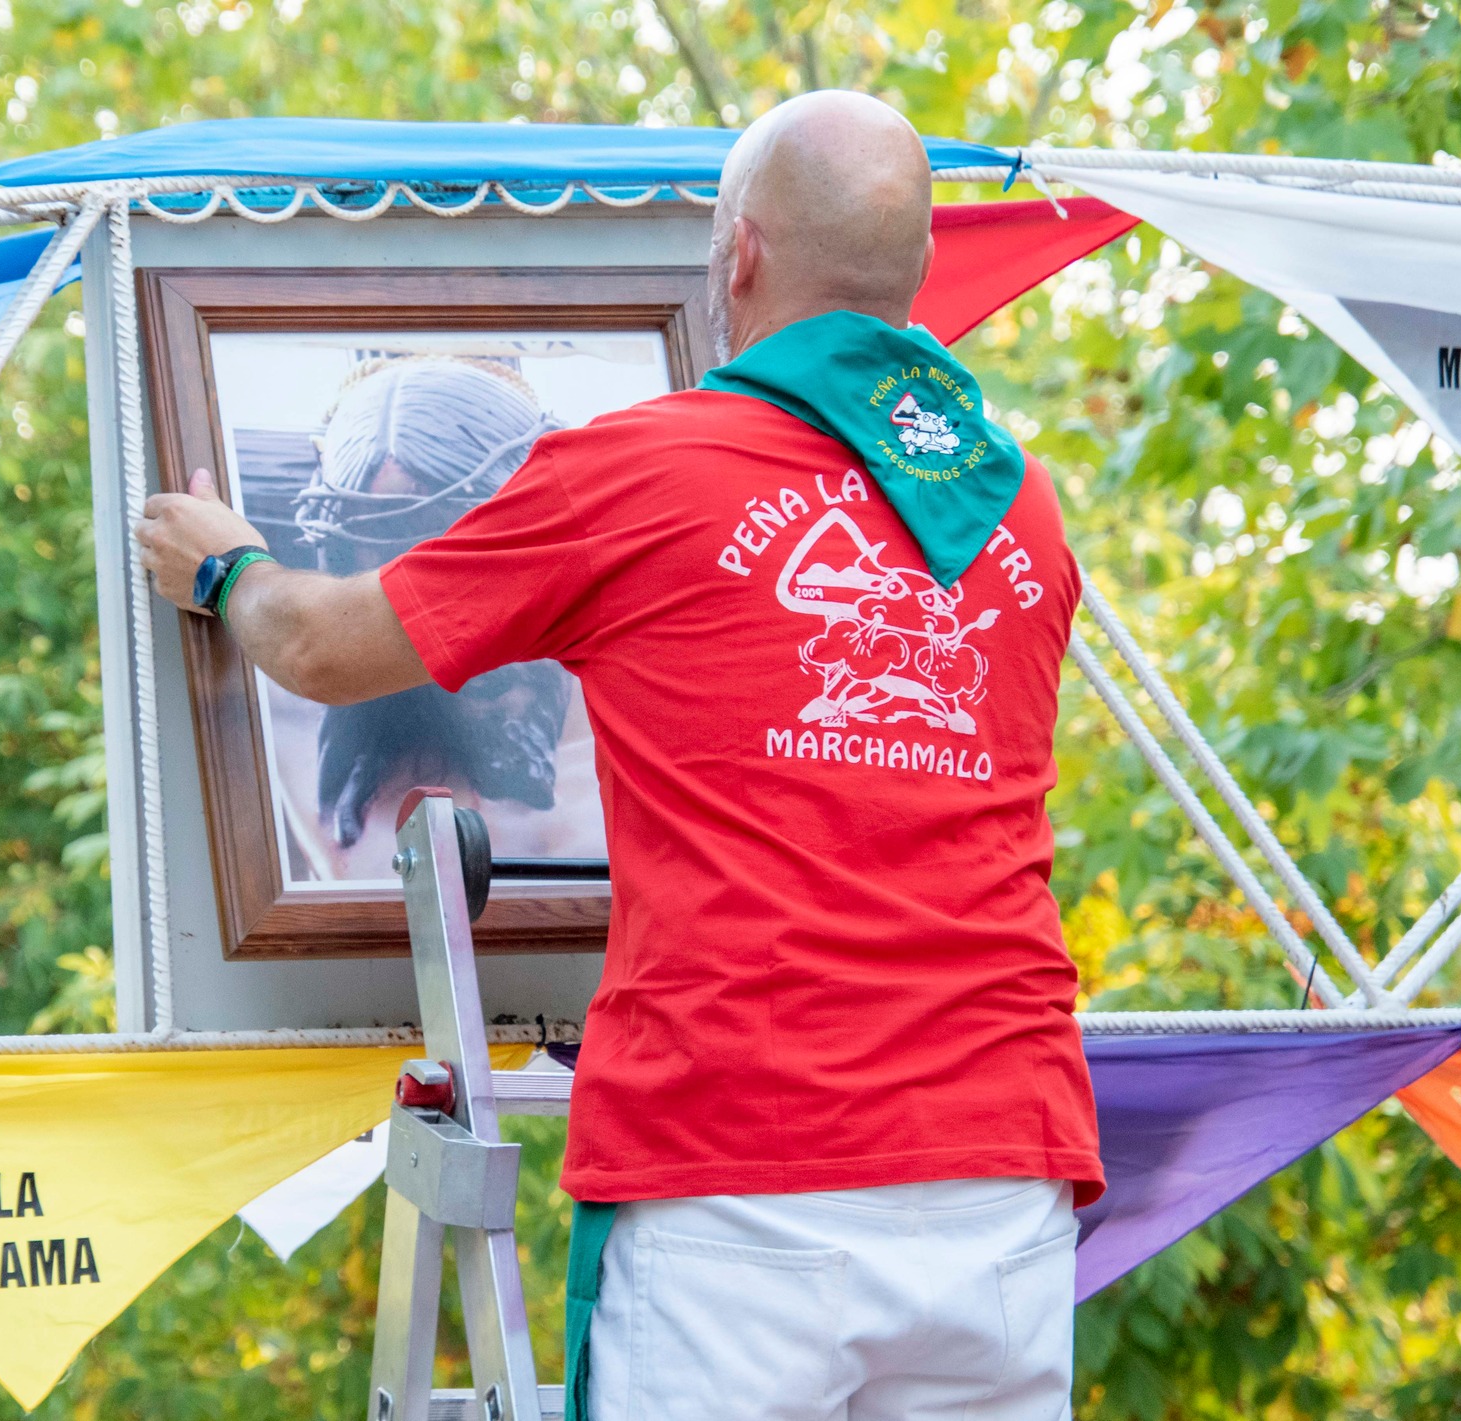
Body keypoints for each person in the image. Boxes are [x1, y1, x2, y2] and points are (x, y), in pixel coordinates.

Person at [137, 90, 1102, 1421]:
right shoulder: (1024, 510)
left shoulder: (645, 471)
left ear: (742, 258)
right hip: (1005, 1174)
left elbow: (322, 647)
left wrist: (226, 570)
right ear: (919, 273)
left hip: (746, 1175)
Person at [290, 358, 571, 849]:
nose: (419, 583)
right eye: (384, 532)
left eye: (445, 528)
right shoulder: (274, 745)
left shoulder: (617, 722)